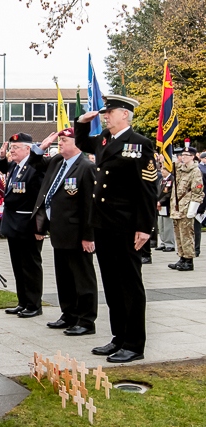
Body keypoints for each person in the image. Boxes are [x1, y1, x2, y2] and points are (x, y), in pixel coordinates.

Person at [75, 94, 157, 363]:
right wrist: (81, 122)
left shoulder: (140, 144)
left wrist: (145, 227)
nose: (105, 116)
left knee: (130, 285)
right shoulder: (104, 141)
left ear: (125, 114)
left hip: (126, 226)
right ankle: (118, 337)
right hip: (104, 223)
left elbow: (147, 189)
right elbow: (82, 142)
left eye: (110, 112)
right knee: (111, 284)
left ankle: (134, 344)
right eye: (104, 112)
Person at [29, 128, 98, 336]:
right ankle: (69, 313)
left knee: (82, 278)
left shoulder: (86, 167)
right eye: (60, 141)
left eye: (65, 140)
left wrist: (88, 236)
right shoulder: (58, 162)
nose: (60, 144)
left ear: (77, 144)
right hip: (59, 230)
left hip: (77, 233)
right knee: (64, 277)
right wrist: (43, 145)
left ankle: (86, 320)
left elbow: (89, 205)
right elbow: (35, 162)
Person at [0, 133, 45, 318]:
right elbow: (0, 166)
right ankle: (23, 301)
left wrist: (40, 228)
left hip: (28, 225)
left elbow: (41, 200)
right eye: (11, 147)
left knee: (30, 266)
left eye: (16, 148)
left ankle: (34, 304)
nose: (12, 151)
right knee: (18, 266)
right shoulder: (15, 167)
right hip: (13, 224)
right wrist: (1, 155)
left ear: (28, 149)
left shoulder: (35, 168)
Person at [168, 146, 204, 271]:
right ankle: (182, 257)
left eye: (186, 155)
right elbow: (169, 166)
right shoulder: (180, 168)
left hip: (186, 207)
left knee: (187, 235)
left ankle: (189, 260)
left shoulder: (195, 171)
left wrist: (193, 209)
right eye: (182, 155)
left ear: (193, 157)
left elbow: (198, 191)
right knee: (179, 235)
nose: (183, 157)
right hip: (177, 207)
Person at [155, 167, 176, 252]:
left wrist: (161, 202)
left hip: (167, 205)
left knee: (168, 226)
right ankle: (163, 242)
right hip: (160, 205)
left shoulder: (171, 180)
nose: (162, 171)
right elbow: (158, 192)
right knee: (161, 225)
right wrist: (157, 202)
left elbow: (170, 193)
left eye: (164, 170)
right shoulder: (161, 180)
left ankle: (169, 244)